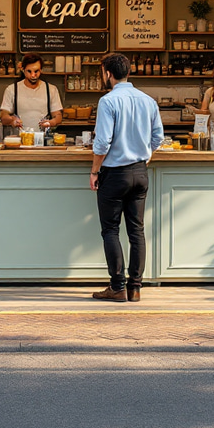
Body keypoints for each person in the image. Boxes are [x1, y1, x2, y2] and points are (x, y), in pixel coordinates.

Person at [89, 52, 164, 303]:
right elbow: (158, 138)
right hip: (140, 172)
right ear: (128, 72)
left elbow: (102, 143)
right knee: (137, 231)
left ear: (108, 74)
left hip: (115, 174)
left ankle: (117, 287)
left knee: (110, 230)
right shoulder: (148, 100)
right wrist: (145, 157)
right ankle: (136, 288)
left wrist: (94, 171)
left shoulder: (108, 101)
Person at [0, 54, 63, 134]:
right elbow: (3, 116)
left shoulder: (51, 89)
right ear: (23, 69)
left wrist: (50, 123)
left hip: (43, 139)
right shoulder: (12, 89)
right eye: (29, 71)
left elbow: (58, 116)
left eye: (36, 71)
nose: (33, 75)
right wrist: (12, 120)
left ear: (41, 70)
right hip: (19, 139)